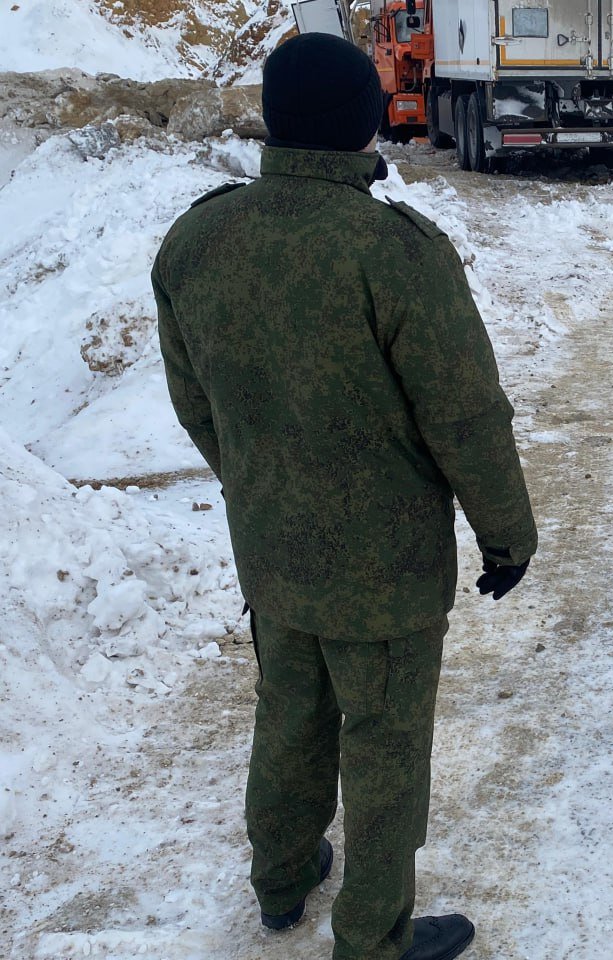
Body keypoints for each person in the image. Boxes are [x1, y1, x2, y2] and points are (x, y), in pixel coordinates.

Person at [152, 32, 538, 960]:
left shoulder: (199, 238)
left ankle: (282, 878)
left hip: (273, 549)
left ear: (273, 117)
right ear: (369, 121)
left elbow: (195, 400)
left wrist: (258, 480)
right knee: (385, 745)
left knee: (288, 709)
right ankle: (372, 936)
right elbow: (466, 415)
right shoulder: (392, 250)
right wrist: (506, 533)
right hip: (387, 567)